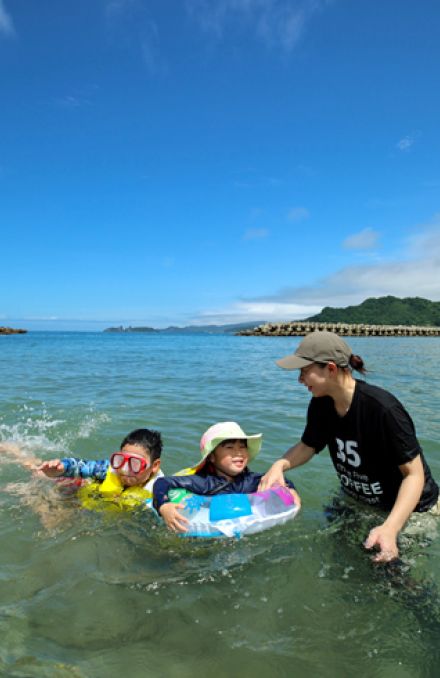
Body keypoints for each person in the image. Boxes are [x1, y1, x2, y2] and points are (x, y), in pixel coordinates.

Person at [258, 331, 439, 563]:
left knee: (392, 576)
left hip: (411, 509)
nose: (300, 379)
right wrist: (279, 465)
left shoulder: (383, 409)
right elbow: (308, 445)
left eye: (304, 371)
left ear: (331, 369)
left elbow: (414, 476)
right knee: (338, 557)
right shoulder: (320, 404)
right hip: (357, 499)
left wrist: (391, 528)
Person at [153, 421, 301, 533]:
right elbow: (162, 482)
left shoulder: (250, 480)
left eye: (242, 446)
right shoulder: (205, 483)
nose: (238, 452)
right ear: (211, 457)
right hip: (206, 531)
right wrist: (164, 506)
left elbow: (279, 480)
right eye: (229, 447)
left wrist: (291, 490)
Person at [38, 428, 164, 509]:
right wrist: (62, 468)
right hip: (76, 487)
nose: (125, 469)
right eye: (120, 460)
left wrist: (165, 508)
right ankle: (24, 457)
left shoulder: (159, 488)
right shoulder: (106, 469)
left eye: (135, 464)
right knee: (40, 477)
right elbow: (81, 466)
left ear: (154, 466)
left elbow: (167, 501)